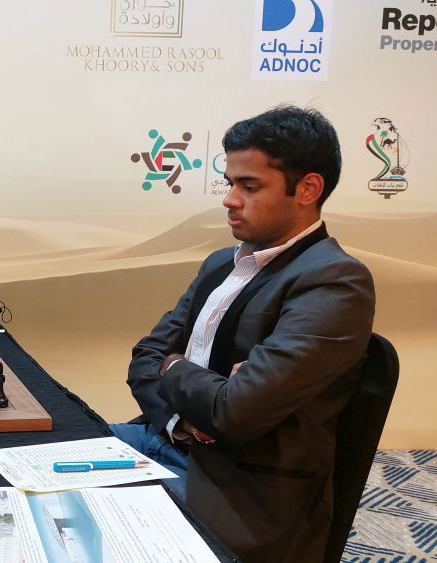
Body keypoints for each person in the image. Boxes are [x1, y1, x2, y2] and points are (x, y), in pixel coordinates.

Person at [111, 105, 374, 562]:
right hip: (161, 437)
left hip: (235, 490)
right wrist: (182, 418)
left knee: (79, 526)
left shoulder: (335, 281)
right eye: (230, 183)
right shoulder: (220, 264)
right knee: (17, 462)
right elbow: (144, 357)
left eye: (249, 187)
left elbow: (233, 413)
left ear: (308, 189)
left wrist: (174, 365)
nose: (230, 200)